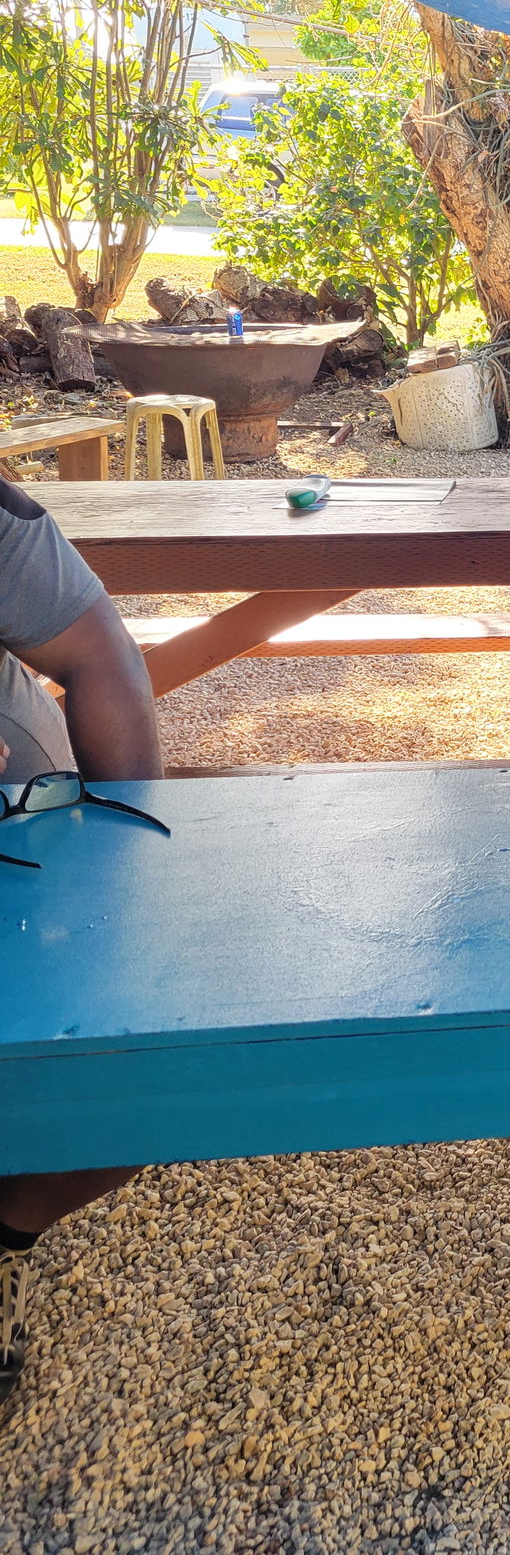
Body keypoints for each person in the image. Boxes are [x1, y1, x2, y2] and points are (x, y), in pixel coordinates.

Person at [0, 476, 164, 1405]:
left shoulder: (2, 526)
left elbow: (98, 652)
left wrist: (128, 865)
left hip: (31, 859)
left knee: (137, 1087)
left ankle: (7, 1228)